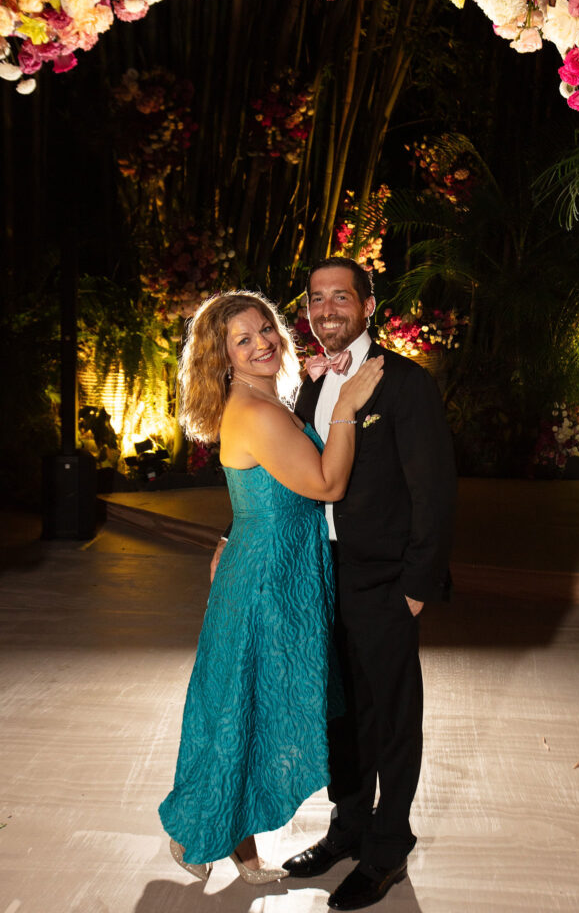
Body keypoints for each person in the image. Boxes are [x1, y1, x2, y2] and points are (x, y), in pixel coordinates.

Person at [158, 290, 384, 885]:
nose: (263, 342)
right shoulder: (256, 411)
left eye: (266, 329)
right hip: (265, 585)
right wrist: (348, 405)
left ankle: (236, 845)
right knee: (242, 710)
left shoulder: (263, 401)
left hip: (271, 569)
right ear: (222, 357)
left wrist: (228, 538)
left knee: (246, 709)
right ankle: (197, 828)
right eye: (243, 338)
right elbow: (328, 484)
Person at [281, 257, 457, 911]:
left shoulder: (403, 384)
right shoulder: (306, 380)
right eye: (316, 299)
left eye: (340, 298)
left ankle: (388, 843)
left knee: (390, 714)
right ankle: (347, 826)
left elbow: (433, 492)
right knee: (338, 712)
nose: (327, 310)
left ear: (368, 304)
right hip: (319, 573)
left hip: (382, 579)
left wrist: (416, 585)